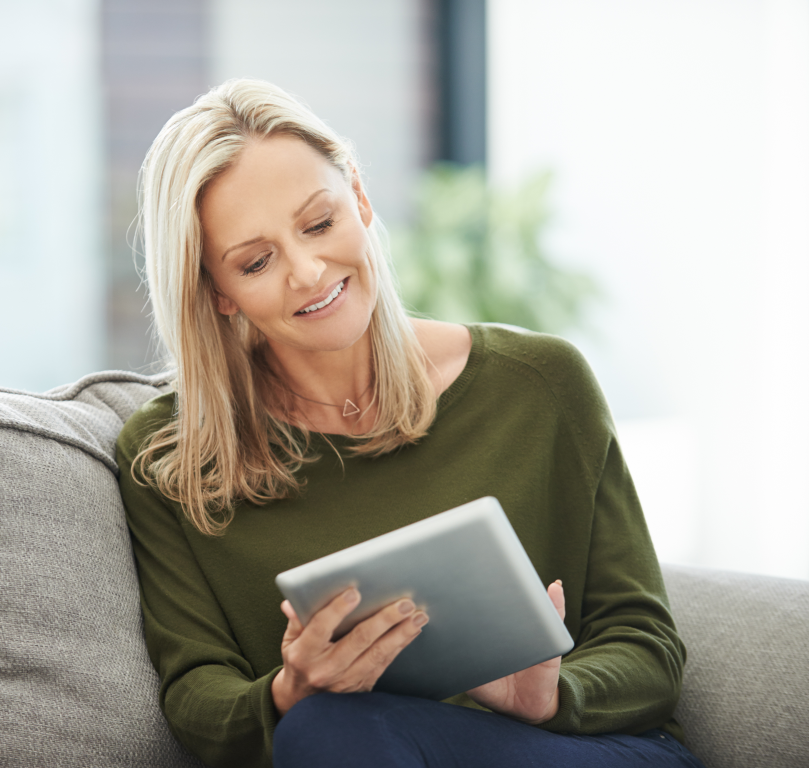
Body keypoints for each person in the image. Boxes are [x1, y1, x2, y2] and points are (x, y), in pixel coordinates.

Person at [115, 78, 706, 768]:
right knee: (331, 729)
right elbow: (198, 697)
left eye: (319, 223)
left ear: (360, 199)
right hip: (352, 750)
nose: (307, 271)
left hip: (575, 751)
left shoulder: (541, 386)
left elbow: (647, 647)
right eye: (256, 260)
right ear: (217, 290)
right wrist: (288, 691)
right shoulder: (172, 459)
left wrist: (548, 696)